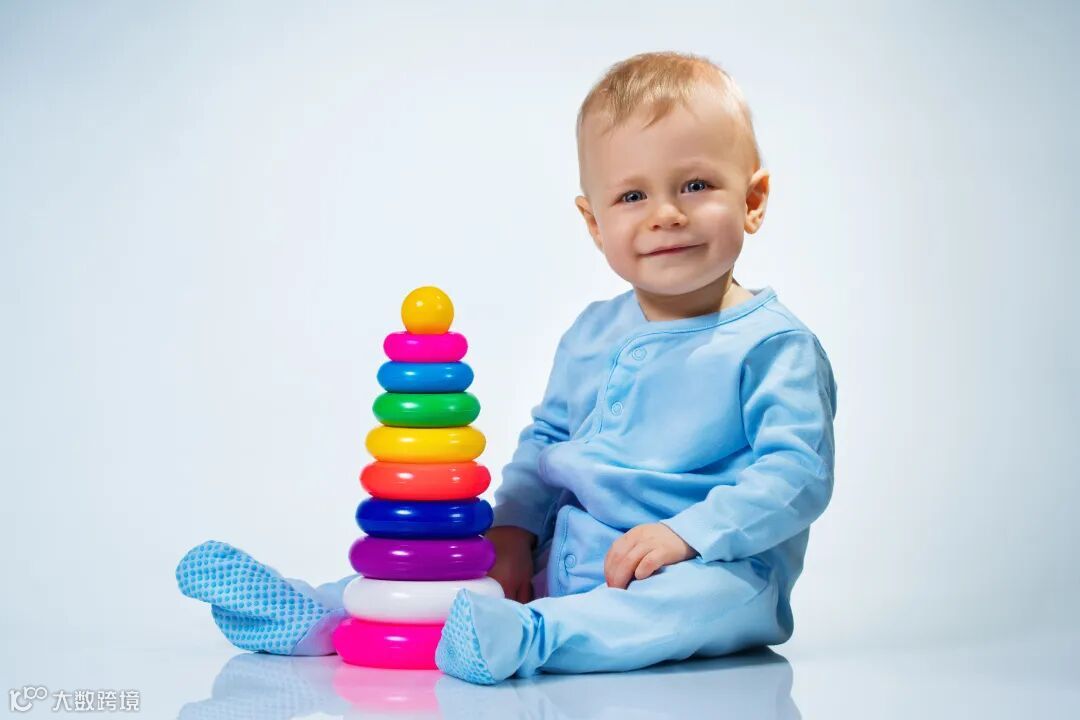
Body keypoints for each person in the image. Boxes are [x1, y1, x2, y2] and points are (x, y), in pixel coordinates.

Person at [177, 50, 837, 686]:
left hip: (710, 564)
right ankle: (325, 612)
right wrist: (514, 530)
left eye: (695, 185)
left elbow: (796, 473)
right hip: (568, 552)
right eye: (632, 195)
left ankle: (528, 638)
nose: (666, 214)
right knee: (457, 561)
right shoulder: (592, 330)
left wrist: (686, 535)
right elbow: (546, 443)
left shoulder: (772, 345)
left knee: (695, 603)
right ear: (594, 223)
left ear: (753, 199)